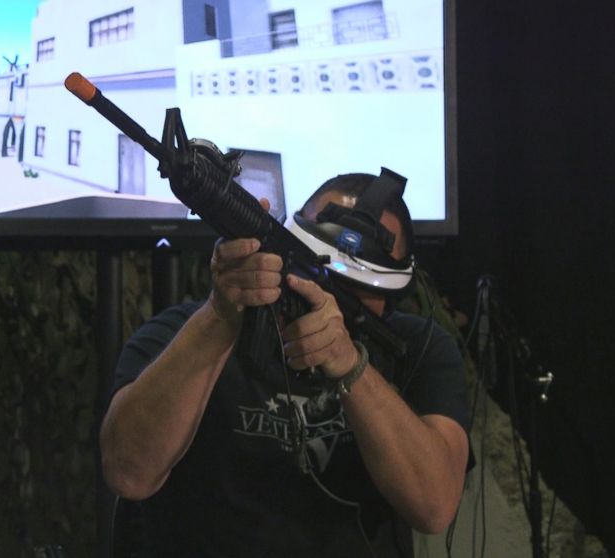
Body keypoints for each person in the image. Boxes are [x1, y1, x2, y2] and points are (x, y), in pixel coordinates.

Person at [100, 170, 471, 557]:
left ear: (391, 297)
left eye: (358, 289)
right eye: (319, 275)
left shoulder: (416, 349)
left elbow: (434, 506)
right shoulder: (181, 334)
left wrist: (350, 366)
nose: (328, 297)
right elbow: (128, 472)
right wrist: (220, 317)